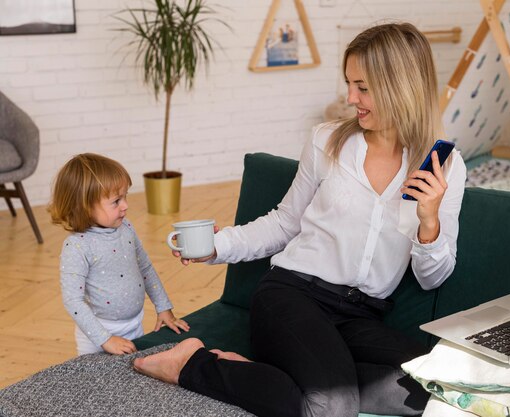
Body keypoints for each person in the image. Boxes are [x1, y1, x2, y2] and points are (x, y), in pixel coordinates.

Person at [134, 22, 467, 417]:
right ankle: (193, 365)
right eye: (349, 84)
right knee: (332, 407)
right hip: (293, 296)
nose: (350, 98)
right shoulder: (328, 141)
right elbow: (284, 223)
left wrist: (429, 222)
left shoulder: (444, 166)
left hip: (362, 315)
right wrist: (217, 246)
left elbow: (433, 278)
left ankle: (277, 377)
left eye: (363, 87)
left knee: (436, 385)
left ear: (401, 86)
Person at [49, 153, 190, 355]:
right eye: (116, 201)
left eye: (125, 196)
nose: (125, 205)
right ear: (85, 207)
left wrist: (163, 307)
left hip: (134, 324)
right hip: (97, 334)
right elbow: (73, 300)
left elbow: (145, 267)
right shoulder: (77, 246)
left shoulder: (127, 228)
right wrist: (105, 339)